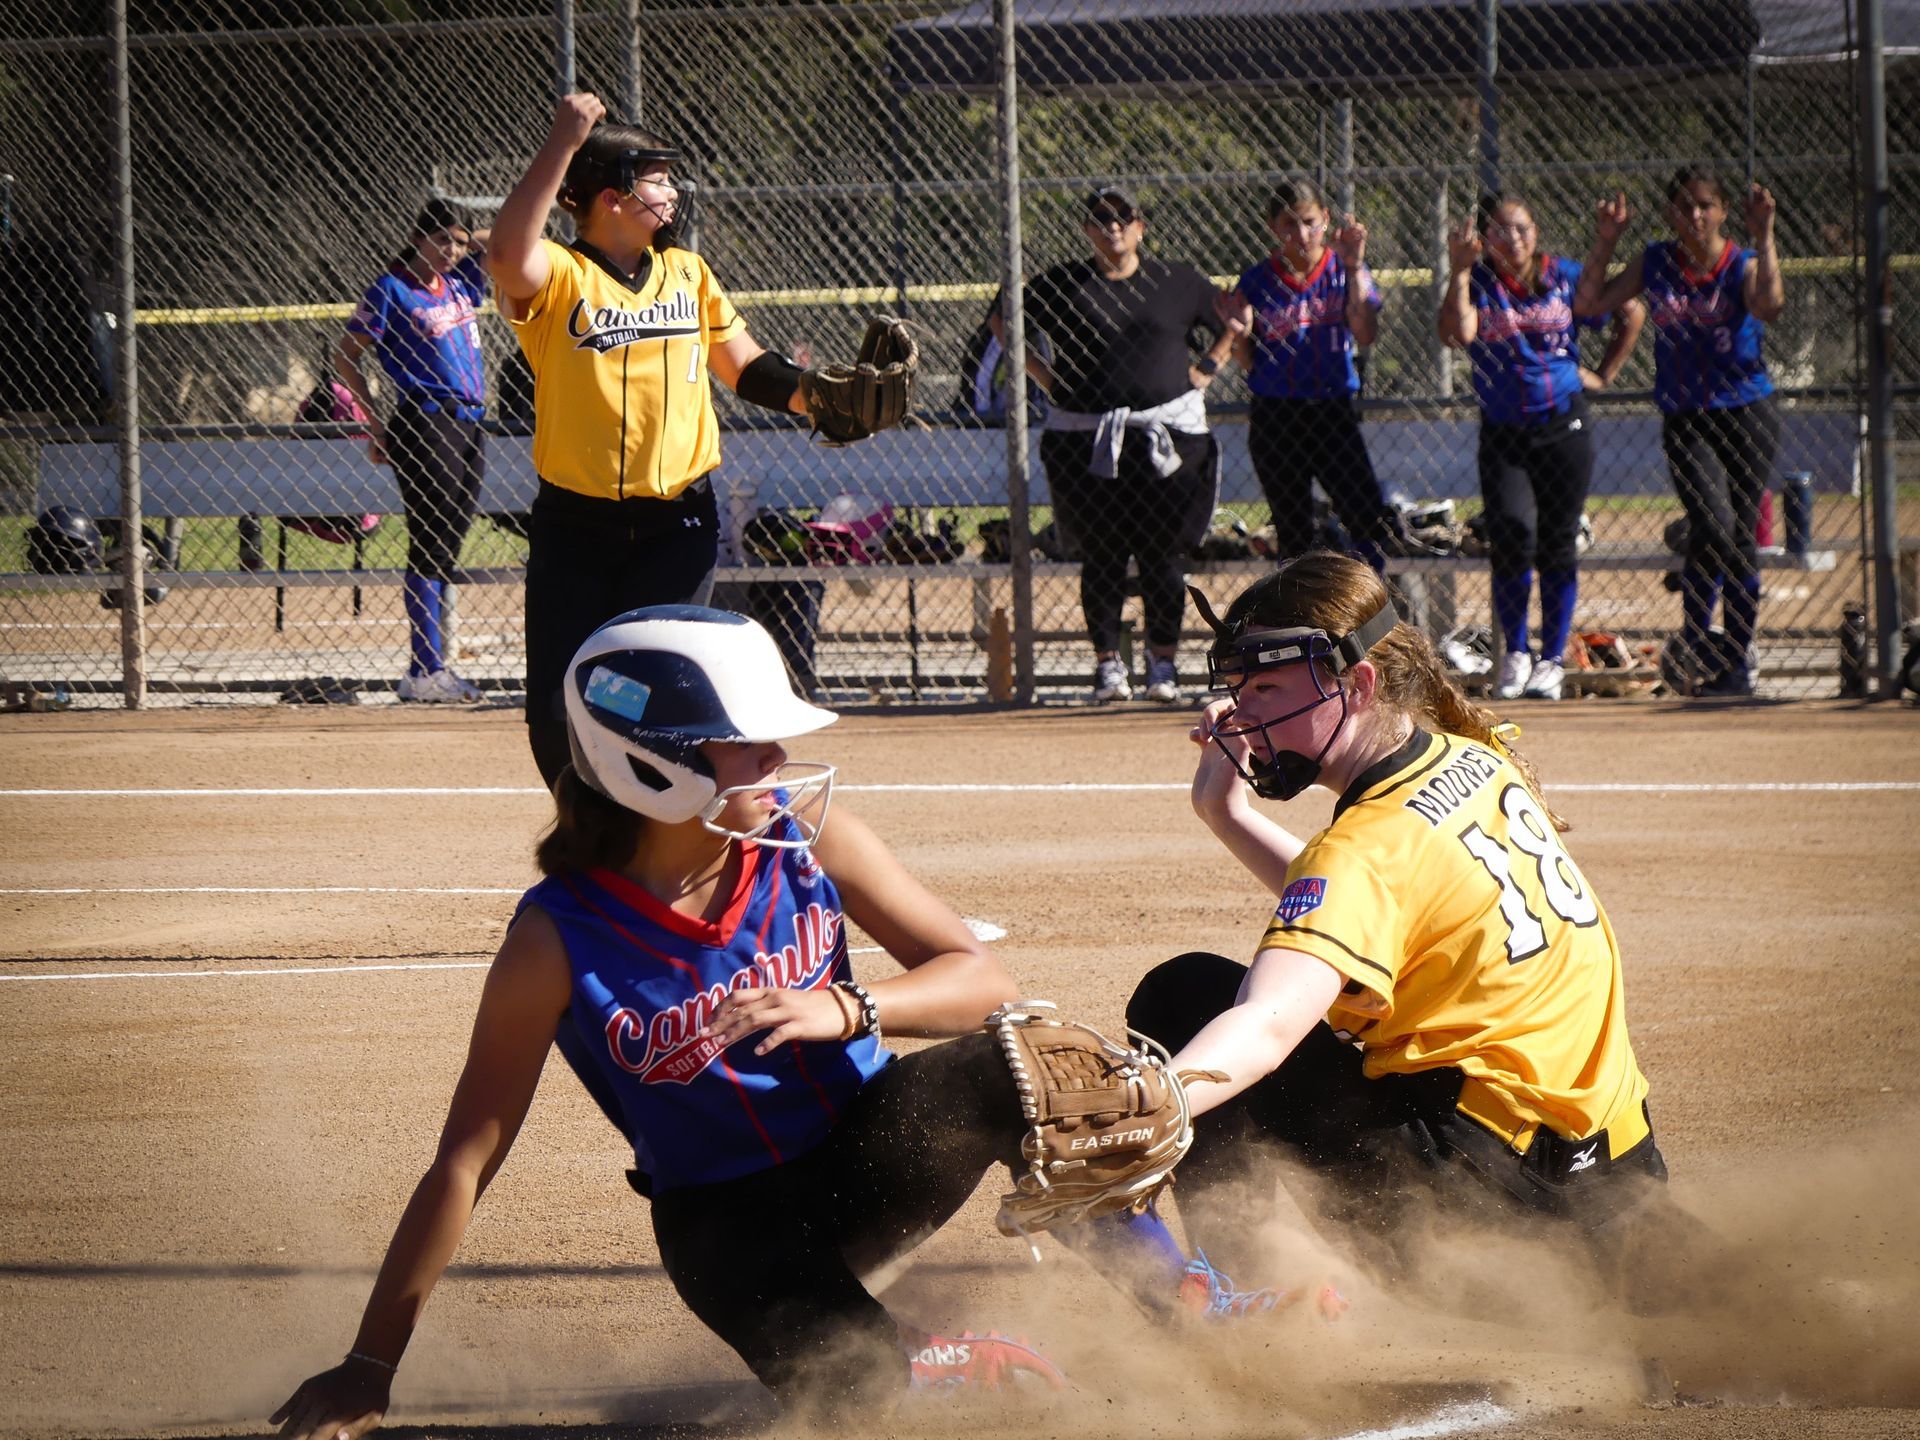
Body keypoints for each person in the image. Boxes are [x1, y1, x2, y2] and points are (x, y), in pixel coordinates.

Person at [269, 606, 1068, 1440]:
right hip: (728, 1226)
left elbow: (985, 983)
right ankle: (916, 1359)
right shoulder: (554, 940)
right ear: (657, 767)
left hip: (864, 1158)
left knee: (1018, 1068)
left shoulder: (807, 843)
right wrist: (369, 1365)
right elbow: (465, 1161)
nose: (778, 758)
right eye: (747, 742)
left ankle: (1159, 1293)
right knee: (855, 1389)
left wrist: (848, 1007)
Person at [1103, 552, 1666, 1307]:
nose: (1242, 714)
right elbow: (1369, 907)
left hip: (1484, 1222)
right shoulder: (1470, 759)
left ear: (1360, 684)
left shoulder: (1360, 849)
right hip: (1616, 1182)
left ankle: (1244, 1302)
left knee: (1185, 995)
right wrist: (1226, 814)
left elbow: (1267, 1026)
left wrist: (1147, 1106)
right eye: (1238, 689)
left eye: (1266, 688)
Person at [489, 93, 845, 787]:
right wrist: (564, 140)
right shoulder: (561, 276)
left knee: (655, 688)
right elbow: (506, 254)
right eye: (656, 179)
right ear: (612, 197)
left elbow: (745, 367)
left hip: (677, 524)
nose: (673, 191)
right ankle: (587, 828)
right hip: (576, 524)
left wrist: (824, 398)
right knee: (563, 699)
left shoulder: (688, 272)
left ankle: (658, 825)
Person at [989, 186, 1235, 705]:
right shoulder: (1062, 283)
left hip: (1166, 440)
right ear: (1087, 230)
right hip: (1087, 439)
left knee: (1162, 554)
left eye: (1124, 217)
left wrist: (1207, 367)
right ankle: (1108, 667)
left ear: (1141, 227)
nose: (1113, 227)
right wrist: (1047, 379)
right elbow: (1002, 320)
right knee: (1101, 553)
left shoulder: (1177, 281)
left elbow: (1231, 322)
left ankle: (1163, 665)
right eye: (1101, 218)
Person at [1573, 169, 1785, 698]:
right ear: (1670, 213)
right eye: (1685, 206)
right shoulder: (1658, 261)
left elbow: (1769, 306)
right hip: (1687, 417)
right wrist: (1606, 240)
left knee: (1738, 536)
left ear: (1722, 212)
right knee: (1714, 525)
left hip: (1746, 412)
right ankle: (1696, 642)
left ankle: (1735, 663)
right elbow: (1590, 303)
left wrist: (1765, 234)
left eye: (1706, 205)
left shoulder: (1740, 262)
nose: (1695, 215)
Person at [1438, 194, 1645, 702]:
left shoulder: (1562, 275)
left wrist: (1604, 373)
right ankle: (1515, 653)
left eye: (1522, 228)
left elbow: (1630, 311)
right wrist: (1458, 271)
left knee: (1558, 542)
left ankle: (1551, 660)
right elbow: (1456, 334)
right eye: (1501, 230)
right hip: (1505, 432)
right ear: (1485, 239)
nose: (1514, 239)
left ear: (1536, 232)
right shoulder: (1478, 280)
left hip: (1563, 426)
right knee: (1512, 534)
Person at [336, 198, 492, 703]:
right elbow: (346, 355)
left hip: (470, 423)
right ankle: (425, 668)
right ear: (417, 238)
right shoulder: (392, 288)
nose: (452, 250)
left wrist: (468, 237)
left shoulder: (460, 283)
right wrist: (374, 424)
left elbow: (500, 241)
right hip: (425, 422)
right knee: (429, 544)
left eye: (459, 242)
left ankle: (426, 670)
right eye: (441, 239)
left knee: (448, 543)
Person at [1222, 178, 1401, 571]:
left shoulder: (1344, 269)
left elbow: (1366, 334)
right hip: (1277, 414)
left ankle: (1369, 599)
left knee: (1365, 517)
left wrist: (1354, 266)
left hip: (1332, 409)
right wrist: (1238, 334)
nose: (1301, 234)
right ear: (1273, 227)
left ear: (1326, 219)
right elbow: (1248, 362)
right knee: (1293, 529)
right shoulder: (1257, 281)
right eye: (1289, 224)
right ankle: (1299, 605)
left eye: (1309, 222)